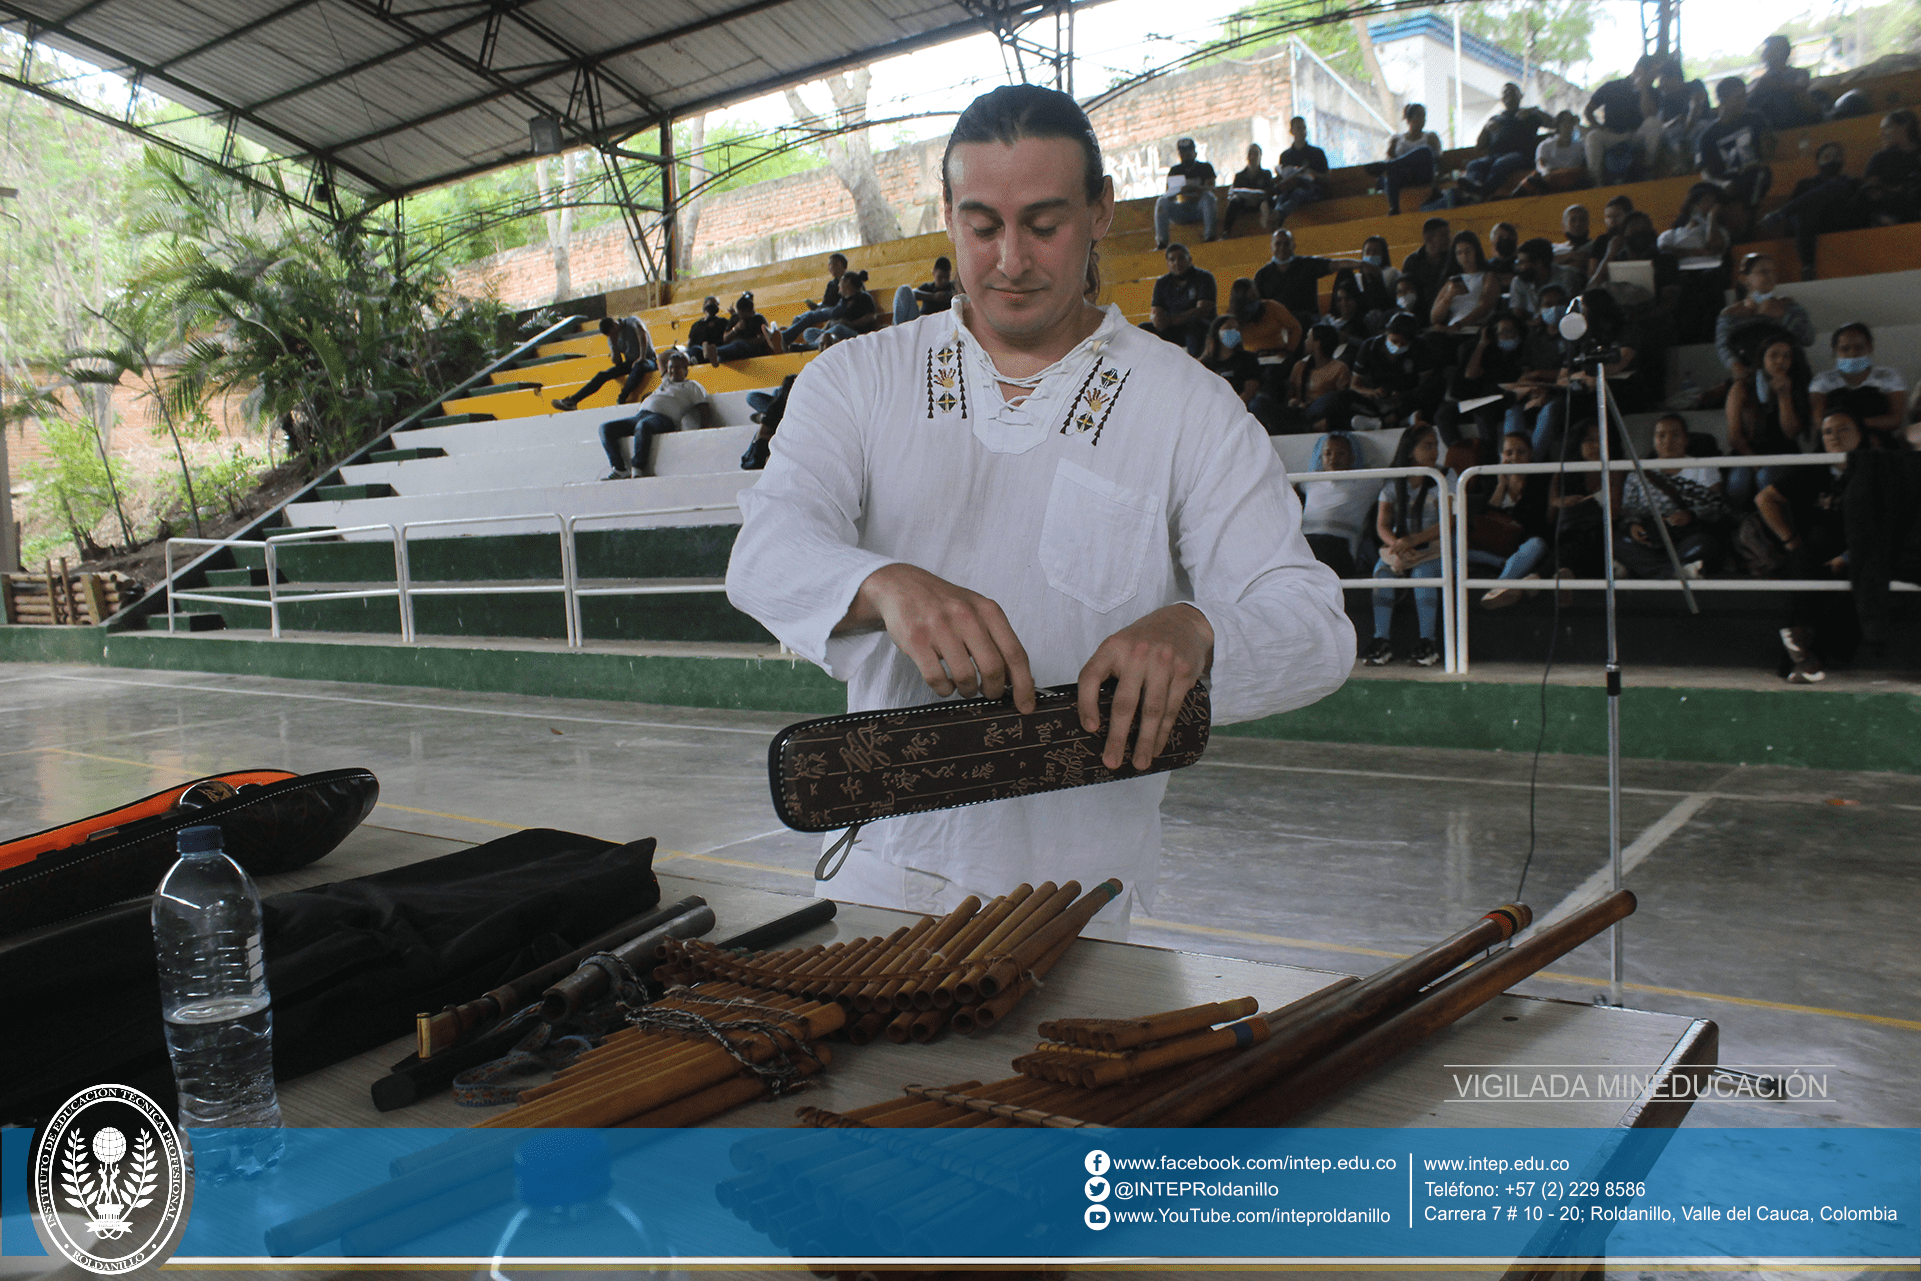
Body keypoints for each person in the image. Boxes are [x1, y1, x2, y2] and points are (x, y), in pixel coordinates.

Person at [722, 83, 1352, 936]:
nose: (1010, 259)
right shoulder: (858, 379)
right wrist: (882, 584)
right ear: (946, 213)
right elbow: (766, 552)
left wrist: (1196, 629)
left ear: (1100, 212)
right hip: (881, 878)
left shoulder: (1186, 405)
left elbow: (1313, 625)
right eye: (982, 225)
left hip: (1082, 902)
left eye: (1043, 224)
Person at [1754, 413, 1865, 682]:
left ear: (1860, 433)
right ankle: (1804, 653)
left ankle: (1804, 654)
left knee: (1851, 579)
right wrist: (1789, 538)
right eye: (1827, 432)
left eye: (1843, 429)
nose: (1834, 436)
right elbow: (1765, 498)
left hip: (1860, 548)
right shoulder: (1812, 466)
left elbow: (1886, 521)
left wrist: (1846, 556)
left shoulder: (1872, 468)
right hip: (1814, 547)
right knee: (1802, 562)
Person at [1364, 423, 1448, 666]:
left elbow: (1449, 522)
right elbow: (1382, 525)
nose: (1434, 452)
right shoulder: (1393, 483)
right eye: (1427, 446)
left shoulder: (1446, 476)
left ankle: (1427, 642)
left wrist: (1413, 541)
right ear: (1411, 451)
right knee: (1382, 573)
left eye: (1436, 446)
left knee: (1422, 575)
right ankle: (1381, 640)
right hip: (1401, 546)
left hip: (1434, 547)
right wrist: (1398, 545)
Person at [1615, 414, 1730, 579]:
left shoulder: (1703, 467)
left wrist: (1690, 516)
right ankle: (1675, 572)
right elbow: (1628, 512)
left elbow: (1717, 508)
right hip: (1651, 540)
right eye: (1661, 435)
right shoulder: (1639, 473)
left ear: (1686, 440)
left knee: (1704, 545)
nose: (1668, 440)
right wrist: (1632, 527)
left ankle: (1647, 568)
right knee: (1616, 543)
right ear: (1654, 440)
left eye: (1675, 435)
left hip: (1687, 537)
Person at [1725, 332, 1815, 504]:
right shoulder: (1742, 388)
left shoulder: (1796, 387)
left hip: (1783, 455)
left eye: (1786, 356)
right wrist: (1756, 462)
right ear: (1762, 359)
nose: (1780, 361)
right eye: (1774, 355)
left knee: (1767, 477)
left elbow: (1791, 433)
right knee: (1739, 483)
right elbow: (1734, 438)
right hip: (1747, 454)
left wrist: (1784, 396)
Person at [597, 349, 713, 480]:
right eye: (670, 368)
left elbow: (703, 407)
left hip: (664, 419)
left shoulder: (691, 385)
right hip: (641, 415)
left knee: (643, 425)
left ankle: (638, 468)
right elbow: (661, 357)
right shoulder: (665, 382)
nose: (673, 371)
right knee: (605, 428)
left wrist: (705, 426)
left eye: (677, 367)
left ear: (686, 369)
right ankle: (619, 468)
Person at [1759, 143, 1866, 280]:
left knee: (1834, 186)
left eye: (1837, 156)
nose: (1832, 160)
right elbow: (1795, 215)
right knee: (1804, 212)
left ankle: (1780, 213)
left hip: (1839, 221)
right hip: (1808, 227)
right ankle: (1808, 267)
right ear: (1818, 161)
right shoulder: (1805, 184)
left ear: (1843, 160)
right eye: (1827, 157)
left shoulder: (1852, 182)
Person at [1472, 432, 1554, 607]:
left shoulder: (1541, 480)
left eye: (1521, 452)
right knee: (1455, 546)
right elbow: (1484, 519)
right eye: (1509, 453)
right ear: (1502, 456)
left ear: (1530, 454)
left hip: (1524, 541)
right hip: (1495, 545)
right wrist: (1502, 484)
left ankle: (1499, 588)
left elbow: (1535, 520)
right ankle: (1504, 564)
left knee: (1537, 544)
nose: (1514, 457)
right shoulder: (1492, 480)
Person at [1696, 77, 1775, 240]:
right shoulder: (1707, 135)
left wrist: (1765, 149)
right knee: (1699, 193)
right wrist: (1722, 184)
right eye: (1738, 97)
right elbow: (1705, 173)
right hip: (1726, 183)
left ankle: (1747, 224)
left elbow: (1768, 153)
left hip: (1753, 175)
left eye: (1744, 96)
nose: (1744, 101)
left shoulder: (1755, 118)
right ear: (1723, 99)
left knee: (1760, 174)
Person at [1715, 252, 1814, 380]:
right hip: (1750, 374)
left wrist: (1782, 317)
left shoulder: (1789, 306)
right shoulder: (1732, 313)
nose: (1770, 276)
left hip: (1791, 373)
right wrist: (1735, 366)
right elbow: (1723, 345)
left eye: (1773, 271)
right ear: (1744, 278)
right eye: (1763, 271)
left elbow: (1809, 339)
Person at [1810, 323, 1907, 447]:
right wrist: (1848, 429)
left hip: (1879, 443)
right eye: (1845, 349)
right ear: (1835, 350)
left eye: (1859, 347)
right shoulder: (1822, 380)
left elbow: (1895, 420)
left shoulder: (1889, 376)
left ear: (1870, 348)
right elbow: (1819, 423)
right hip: (1835, 443)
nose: (1853, 353)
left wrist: (1855, 424)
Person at [1297, 432, 1376, 578]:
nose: (1334, 458)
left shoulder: (1367, 481)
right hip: (1305, 539)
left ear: (1352, 458)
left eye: (1341, 453)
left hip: (1338, 544)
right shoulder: (1309, 480)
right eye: (1328, 453)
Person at [1350, 311, 1443, 432]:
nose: (1398, 346)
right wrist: (1371, 392)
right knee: (1343, 398)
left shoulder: (1421, 347)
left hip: (1408, 398)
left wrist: (1403, 394)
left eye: (1403, 344)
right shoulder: (1370, 346)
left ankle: (1387, 421)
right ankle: (1402, 418)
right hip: (1377, 398)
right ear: (1387, 332)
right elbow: (1354, 385)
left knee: (1437, 384)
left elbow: (1424, 383)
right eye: (1394, 341)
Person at [1583, 56, 1665, 183]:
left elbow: (1650, 115)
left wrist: (1643, 90)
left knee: (1653, 123)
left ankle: (1648, 169)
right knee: (1592, 136)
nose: (1655, 78)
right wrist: (1599, 127)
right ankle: (1596, 181)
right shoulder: (1612, 86)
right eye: (1653, 73)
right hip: (1612, 135)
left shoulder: (1653, 92)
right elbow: (1588, 111)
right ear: (1640, 70)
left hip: (1636, 136)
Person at [551, 315, 656, 412]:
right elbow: (618, 362)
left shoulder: (631, 321)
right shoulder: (611, 339)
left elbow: (642, 332)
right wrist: (614, 346)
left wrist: (642, 357)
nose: (613, 335)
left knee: (639, 365)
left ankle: (622, 397)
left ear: (615, 324)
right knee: (603, 374)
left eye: (613, 332)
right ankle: (572, 401)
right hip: (630, 363)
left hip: (648, 359)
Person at [1464, 83, 1553, 198]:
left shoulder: (1530, 114)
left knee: (1501, 163)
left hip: (1522, 155)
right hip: (1496, 156)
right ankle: (1474, 188)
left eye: (1512, 92)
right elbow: (1479, 146)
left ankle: (1483, 193)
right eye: (1506, 94)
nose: (1509, 96)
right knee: (1474, 165)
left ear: (1521, 96)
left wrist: (1534, 111)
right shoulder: (1495, 119)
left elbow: (1553, 123)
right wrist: (1486, 127)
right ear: (1502, 99)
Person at [1142, 242, 1218, 357]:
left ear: (1190, 259)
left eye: (1181, 257)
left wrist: (1171, 320)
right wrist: (1158, 320)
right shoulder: (1162, 283)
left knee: (1195, 323)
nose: (1177, 262)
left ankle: (1196, 364)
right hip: (1174, 328)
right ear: (1168, 264)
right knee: (1144, 328)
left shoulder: (1204, 277)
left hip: (1200, 327)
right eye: (1172, 260)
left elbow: (1202, 311)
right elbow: (1157, 311)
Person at [1254, 228, 1340, 328]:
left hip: (1307, 323)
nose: (1282, 247)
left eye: (1286, 243)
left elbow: (1336, 264)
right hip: (1278, 327)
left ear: (1293, 246)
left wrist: (1361, 264)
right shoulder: (1262, 275)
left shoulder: (1307, 264)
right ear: (1271, 247)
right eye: (1278, 244)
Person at [1370, 104, 1443, 216]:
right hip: (1404, 178)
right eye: (1418, 116)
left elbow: (1437, 159)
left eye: (1424, 116)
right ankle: (1394, 208)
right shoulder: (1397, 140)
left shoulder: (1430, 137)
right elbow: (1389, 157)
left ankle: (1389, 165)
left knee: (1425, 151)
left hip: (1423, 175)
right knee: (1391, 173)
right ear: (1409, 119)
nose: (1422, 120)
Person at [1284, 323, 1354, 435]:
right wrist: (1293, 402)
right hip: (1297, 413)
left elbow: (1341, 401)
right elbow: (1290, 395)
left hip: (1321, 414)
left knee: (1333, 399)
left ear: (1318, 343)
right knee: (1258, 404)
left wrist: (1312, 404)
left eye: (1308, 338)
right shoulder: (1299, 366)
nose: (1305, 341)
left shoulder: (1339, 368)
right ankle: (1306, 428)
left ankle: (1300, 428)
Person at [1428, 230, 1498, 337]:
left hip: (1476, 329)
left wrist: (1458, 325)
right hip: (1452, 330)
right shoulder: (1452, 280)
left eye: (1468, 251)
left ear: (1476, 251)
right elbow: (1434, 318)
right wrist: (1448, 296)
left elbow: (1484, 307)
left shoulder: (1488, 276)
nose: (1464, 257)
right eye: (1459, 253)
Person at [1154, 136, 1218, 248]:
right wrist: (1179, 190)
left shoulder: (1205, 167)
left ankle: (1210, 237)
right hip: (1181, 209)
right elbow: (1168, 195)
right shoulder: (1175, 171)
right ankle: (1162, 243)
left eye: (1189, 152)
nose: (1186, 156)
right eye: (1183, 153)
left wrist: (1199, 188)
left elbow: (1212, 189)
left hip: (1200, 208)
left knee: (1208, 197)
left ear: (1195, 153)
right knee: (1161, 202)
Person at [1747, 34, 1820, 129]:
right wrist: (1759, 88)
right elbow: (1748, 102)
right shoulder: (1759, 82)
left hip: (1800, 122)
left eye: (1767, 51)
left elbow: (1801, 86)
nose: (1763, 55)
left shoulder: (1800, 73)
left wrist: (1776, 85)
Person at [1863, 110, 1921, 226]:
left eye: (1887, 127)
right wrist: (1896, 190)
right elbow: (1871, 191)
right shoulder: (1879, 158)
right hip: (1892, 213)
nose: (1882, 134)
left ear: (1905, 126)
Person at [1271, 117, 1332, 225]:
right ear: (1292, 131)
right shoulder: (1285, 156)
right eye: (1299, 128)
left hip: (1312, 189)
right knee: (1282, 196)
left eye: (1304, 128)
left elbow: (1327, 178)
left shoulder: (1317, 153)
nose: (1302, 131)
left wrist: (1312, 173)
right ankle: (1276, 211)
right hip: (1290, 188)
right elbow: (1282, 179)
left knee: (1299, 193)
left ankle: (1280, 215)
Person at [800, 270, 880, 350]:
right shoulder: (842, 301)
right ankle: (818, 343)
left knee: (838, 328)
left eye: (840, 282)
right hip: (833, 334)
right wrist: (829, 324)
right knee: (808, 332)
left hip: (855, 333)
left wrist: (850, 324)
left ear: (847, 282)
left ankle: (810, 347)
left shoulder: (864, 297)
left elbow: (872, 316)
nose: (838, 285)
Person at [1516, 110, 1588, 197]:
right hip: (1549, 180)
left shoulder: (1579, 146)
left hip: (1571, 180)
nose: (1567, 124)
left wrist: (1578, 126)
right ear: (1558, 124)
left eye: (1571, 120)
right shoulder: (1546, 145)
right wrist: (1548, 174)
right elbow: (1541, 166)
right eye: (1564, 120)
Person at [783, 253, 850, 342]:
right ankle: (788, 342)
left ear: (840, 264)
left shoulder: (850, 280)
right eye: (828, 264)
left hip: (837, 310)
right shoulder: (832, 283)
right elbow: (825, 302)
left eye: (832, 264)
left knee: (810, 316)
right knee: (798, 318)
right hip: (826, 309)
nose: (829, 267)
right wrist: (816, 306)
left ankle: (784, 337)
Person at [740, 374, 797, 471]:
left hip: (779, 406)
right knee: (751, 397)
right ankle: (763, 416)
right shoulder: (777, 409)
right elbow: (761, 435)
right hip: (778, 423)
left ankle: (762, 416)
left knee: (775, 393)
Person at [1399, 217, 1453, 319]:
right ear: (1428, 238)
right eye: (1444, 235)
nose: (1448, 239)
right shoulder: (1412, 261)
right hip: (1419, 312)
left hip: (1446, 310)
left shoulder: (1452, 259)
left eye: (1448, 235)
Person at [712, 291, 780, 364]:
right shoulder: (735, 318)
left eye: (743, 313)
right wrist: (735, 329)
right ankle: (712, 352)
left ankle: (716, 351)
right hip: (735, 350)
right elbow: (725, 339)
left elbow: (764, 339)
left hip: (751, 350)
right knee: (723, 357)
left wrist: (745, 341)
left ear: (750, 311)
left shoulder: (759, 319)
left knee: (739, 345)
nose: (741, 316)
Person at [1224, 143, 1273, 236]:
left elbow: (1270, 191)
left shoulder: (1266, 174)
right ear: (1247, 156)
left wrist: (1259, 197)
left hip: (1261, 203)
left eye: (1256, 153)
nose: (1253, 156)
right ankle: (1226, 232)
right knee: (1234, 202)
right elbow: (1235, 192)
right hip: (1245, 204)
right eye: (1251, 154)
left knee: (1265, 203)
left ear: (1260, 156)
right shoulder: (1239, 176)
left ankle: (1267, 228)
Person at [893, 257, 958, 325]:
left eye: (946, 277)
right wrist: (933, 297)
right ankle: (898, 328)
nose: (944, 280)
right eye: (940, 277)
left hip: (944, 324)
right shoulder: (927, 287)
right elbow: (913, 293)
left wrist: (948, 295)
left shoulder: (953, 287)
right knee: (904, 289)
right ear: (934, 272)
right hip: (922, 324)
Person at [688, 296, 728, 364]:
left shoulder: (723, 322)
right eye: (710, 306)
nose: (713, 308)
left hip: (715, 352)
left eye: (715, 305)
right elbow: (690, 343)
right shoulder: (696, 325)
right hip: (699, 352)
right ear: (704, 306)